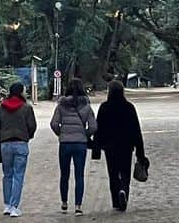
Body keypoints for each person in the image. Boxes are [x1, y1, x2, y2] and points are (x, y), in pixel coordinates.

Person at [93, 80, 146, 212]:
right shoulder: (129, 107)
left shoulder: (104, 107)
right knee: (125, 173)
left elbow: (98, 129)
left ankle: (116, 201)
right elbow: (136, 130)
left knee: (113, 174)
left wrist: (96, 148)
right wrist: (140, 152)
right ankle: (123, 190)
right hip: (126, 146)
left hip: (109, 147)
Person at [50, 78, 97, 215]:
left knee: (64, 174)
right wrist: (85, 134)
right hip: (80, 144)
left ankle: (64, 203)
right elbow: (93, 126)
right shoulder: (86, 106)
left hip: (65, 143)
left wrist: (61, 133)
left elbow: (54, 124)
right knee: (79, 175)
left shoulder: (61, 105)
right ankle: (78, 206)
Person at [0, 82, 37, 217]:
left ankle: (6, 205)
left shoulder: (1, 108)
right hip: (21, 144)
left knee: (7, 175)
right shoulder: (26, 108)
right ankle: (14, 207)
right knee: (18, 175)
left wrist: (1, 137)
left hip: (5, 144)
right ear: (21, 92)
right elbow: (32, 125)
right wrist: (27, 136)